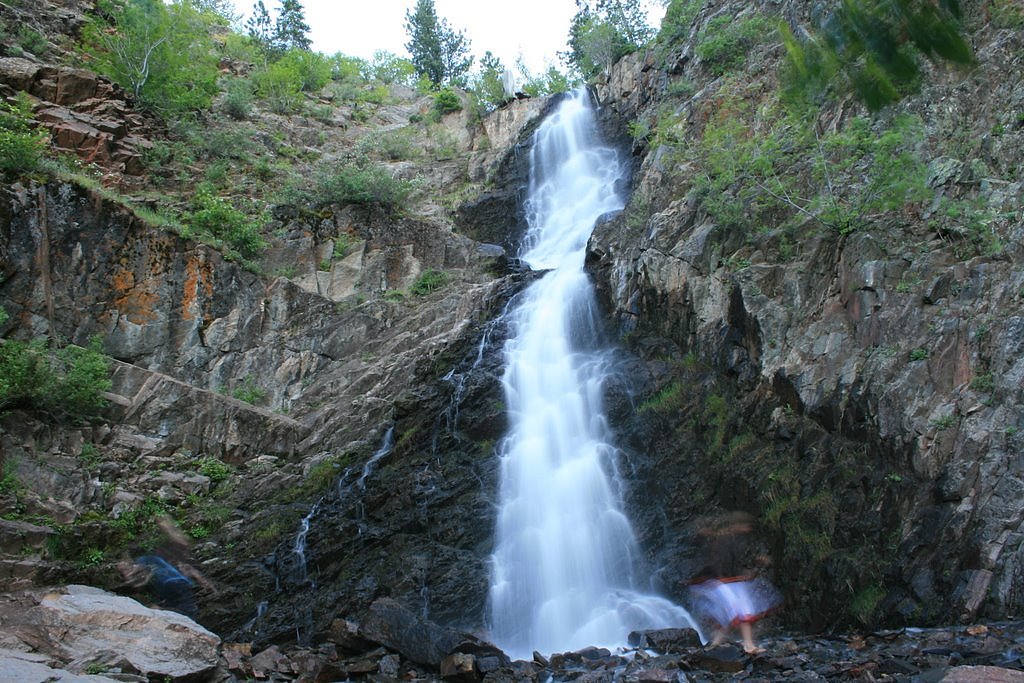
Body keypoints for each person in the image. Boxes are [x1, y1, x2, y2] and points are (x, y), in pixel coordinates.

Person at [687, 511, 782, 654]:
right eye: (746, 526)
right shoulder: (723, 539)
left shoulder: (734, 539)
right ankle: (748, 645)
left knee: (730, 613)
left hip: (728, 581)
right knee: (743, 610)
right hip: (721, 581)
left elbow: (736, 561)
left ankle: (715, 644)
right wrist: (721, 580)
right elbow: (718, 562)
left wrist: (755, 563)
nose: (748, 529)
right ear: (736, 525)